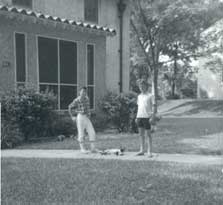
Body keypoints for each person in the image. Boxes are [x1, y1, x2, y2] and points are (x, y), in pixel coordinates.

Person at [68, 87, 96, 154]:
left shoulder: (87, 99)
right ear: (79, 92)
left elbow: (87, 108)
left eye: (85, 92)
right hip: (80, 117)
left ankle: (93, 148)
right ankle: (82, 149)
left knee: (92, 132)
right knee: (81, 133)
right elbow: (69, 107)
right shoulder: (77, 100)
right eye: (82, 91)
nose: (84, 93)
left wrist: (89, 114)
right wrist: (72, 116)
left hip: (86, 117)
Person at [135, 79, 155, 157]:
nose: (142, 87)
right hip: (140, 117)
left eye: (143, 86)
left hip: (147, 117)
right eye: (140, 86)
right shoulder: (139, 96)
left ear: (146, 87)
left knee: (148, 135)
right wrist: (137, 117)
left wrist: (152, 117)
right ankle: (142, 150)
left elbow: (153, 107)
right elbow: (139, 107)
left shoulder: (150, 96)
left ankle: (149, 151)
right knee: (141, 135)